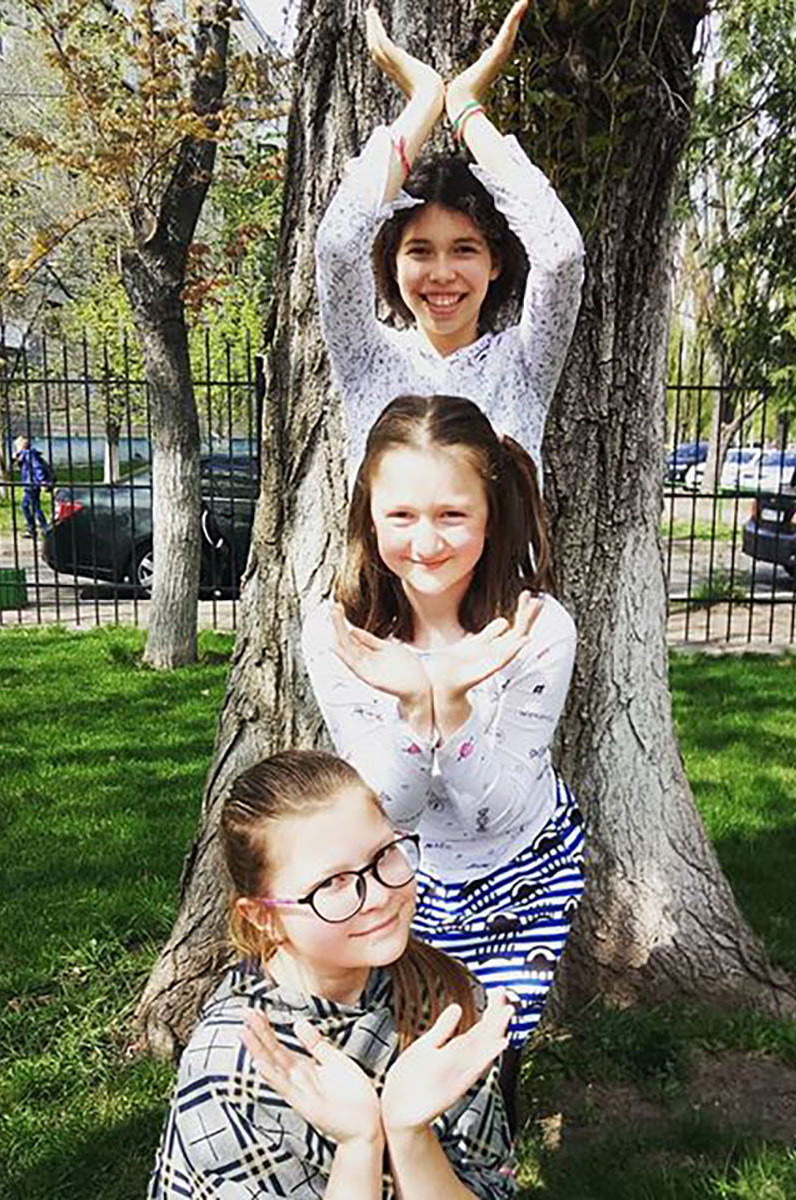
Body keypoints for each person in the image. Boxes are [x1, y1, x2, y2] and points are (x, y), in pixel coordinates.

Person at [301, 394, 585, 1127]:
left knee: (488, 1055)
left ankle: (491, 1156)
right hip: (400, 875)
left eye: (452, 514)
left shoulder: (537, 629)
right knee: (399, 1046)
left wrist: (450, 706)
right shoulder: (342, 634)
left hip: (519, 870)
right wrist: (413, 708)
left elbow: (494, 809)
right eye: (401, 515)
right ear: (369, 515)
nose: (425, 542)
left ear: (491, 514)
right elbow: (387, 807)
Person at [150, 749, 515, 1199]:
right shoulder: (235, 1063)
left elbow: (486, 1184)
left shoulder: (444, 996)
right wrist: (358, 1146)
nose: (379, 896)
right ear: (264, 917)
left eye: (384, 854)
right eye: (332, 883)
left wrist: (410, 1136)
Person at [316, 0, 585, 482]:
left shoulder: (524, 365)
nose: (442, 274)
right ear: (393, 263)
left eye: (464, 249)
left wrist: (464, 108)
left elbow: (560, 256)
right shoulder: (365, 358)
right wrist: (423, 100)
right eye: (420, 251)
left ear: (495, 261)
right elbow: (338, 245)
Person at [13, 434, 52, 538]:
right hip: (28, 484)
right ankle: (35, 528)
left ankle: (44, 528)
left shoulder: (29, 454)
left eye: (17, 445)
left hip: (32, 484)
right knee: (27, 506)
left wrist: (42, 480)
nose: (16, 447)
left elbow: (37, 467)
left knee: (33, 507)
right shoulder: (23, 454)